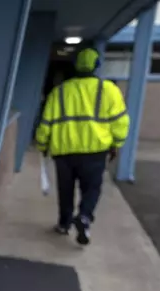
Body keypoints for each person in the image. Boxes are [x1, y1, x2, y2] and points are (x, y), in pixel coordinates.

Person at [36, 48, 130, 245]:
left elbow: (46, 122)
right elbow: (120, 122)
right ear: (97, 66)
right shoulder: (109, 90)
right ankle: (85, 217)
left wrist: (42, 144)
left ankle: (64, 224)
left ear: (76, 66)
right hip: (95, 152)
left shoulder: (60, 91)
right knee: (92, 188)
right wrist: (116, 143)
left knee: (66, 189)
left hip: (64, 152)